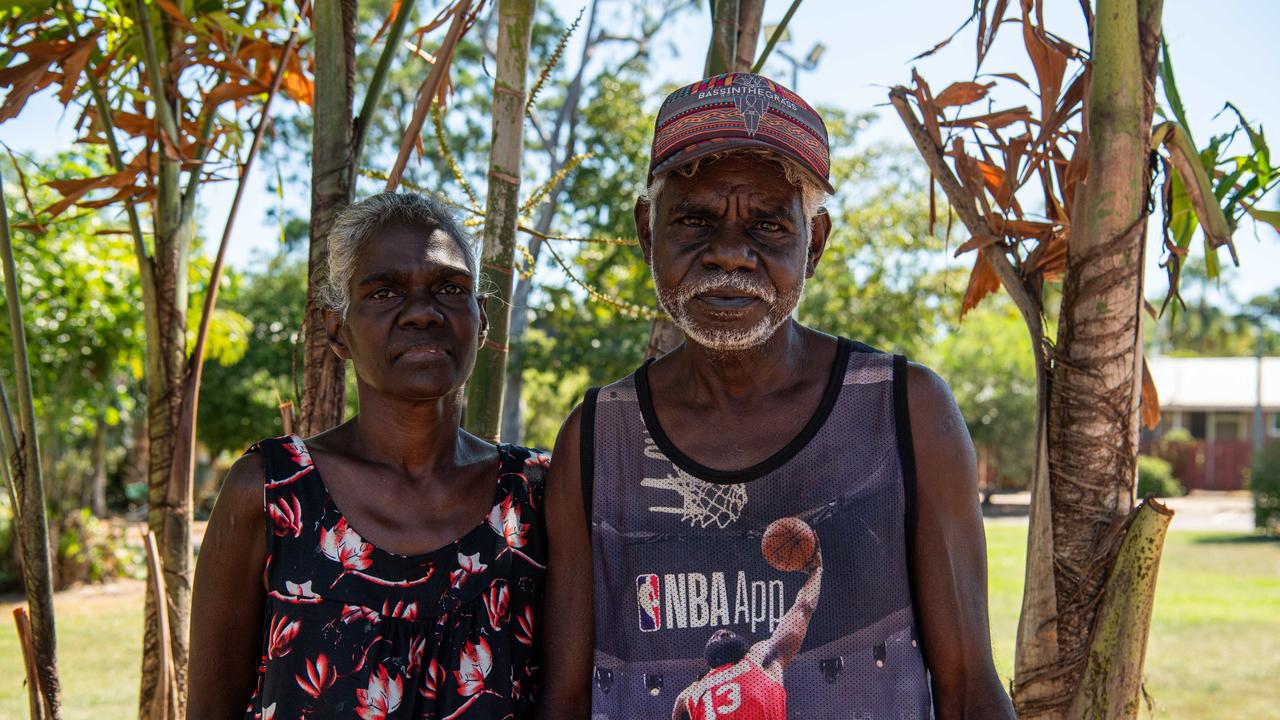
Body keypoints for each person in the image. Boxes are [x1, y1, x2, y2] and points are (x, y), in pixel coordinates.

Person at [547, 72, 1015, 718]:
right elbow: (567, 697)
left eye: (768, 225)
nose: (731, 254)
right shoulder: (597, 439)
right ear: (647, 230)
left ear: (815, 244)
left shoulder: (907, 413)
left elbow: (968, 687)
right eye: (695, 220)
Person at [188, 192, 590, 719]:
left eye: (450, 288)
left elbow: (569, 702)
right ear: (338, 330)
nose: (423, 313)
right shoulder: (272, 495)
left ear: (481, 319)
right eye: (383, 292)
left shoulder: (536, 494)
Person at [672, 541, 822, 720]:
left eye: (728, 633)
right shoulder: (689, 695)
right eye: (717, 636)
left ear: (746, 649)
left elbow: (802, 609)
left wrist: (816, 571)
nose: (723, 633)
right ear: (707, 660)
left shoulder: (763, 659)